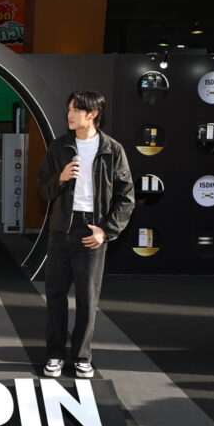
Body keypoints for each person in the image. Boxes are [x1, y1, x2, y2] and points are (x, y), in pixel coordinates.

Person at [37, 91, 134, 379]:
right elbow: (43, 188)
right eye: (68, 109)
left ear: (92, 114)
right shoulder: (59, 147)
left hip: (92, 230)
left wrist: (106, 231)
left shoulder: (113, 150)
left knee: (87, 299)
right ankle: (55, 354)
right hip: (60, 230)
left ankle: (81, 357)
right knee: (55, 295)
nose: (69, 115)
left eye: (75, 110)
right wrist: (60, 177)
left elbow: (126, 197)